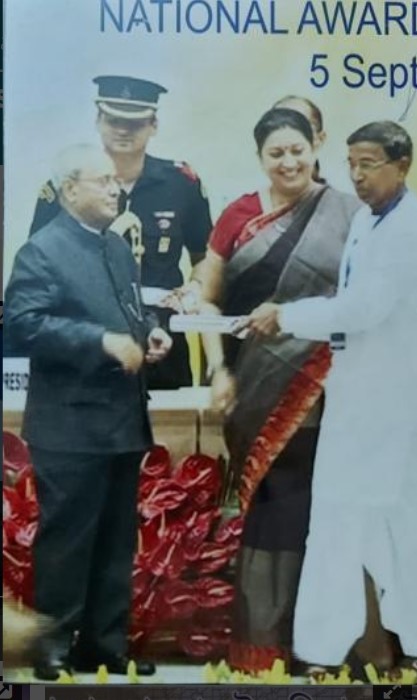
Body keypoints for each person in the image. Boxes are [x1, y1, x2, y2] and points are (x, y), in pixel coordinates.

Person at [241, 121, 417, 682]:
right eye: (352, 165)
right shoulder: (368, 220)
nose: (358, 176)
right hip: (360, 405)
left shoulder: (413, 228)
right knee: (335, 524)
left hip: (413, 413)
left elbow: (365, 309)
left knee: (413, 531)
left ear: (402, 165)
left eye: (370, 164)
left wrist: (287, 315)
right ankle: (321, 652)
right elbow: (355, 311)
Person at [196, 105, 359, 673]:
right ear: (259, 157)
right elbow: (206, 299)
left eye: (297, 150)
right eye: (276, 153)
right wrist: (219, 369)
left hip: (330, 391)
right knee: (271, 511)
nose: (288, 162)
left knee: (321, 511)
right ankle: (264, 643)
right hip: (254, 389)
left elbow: (363, 302)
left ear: (315, 147)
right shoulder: (239, 215)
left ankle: (322, 644)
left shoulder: (348, 213)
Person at [4, 144, 172, 681]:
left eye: (115, 181)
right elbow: (23, 325)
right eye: (103, 181)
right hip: (70, 424)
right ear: (70, 189)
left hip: (121, 420)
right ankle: (53, 645)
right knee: (68, 540)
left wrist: (150, 333)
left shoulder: (116, 246)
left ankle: (104, 645)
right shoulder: (41, 251)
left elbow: (129, 311)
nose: (115, 189)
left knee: (116, 540)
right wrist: (99, 341)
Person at [28, 75, 212, 389]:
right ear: (98, 121)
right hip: (89, 336)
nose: (123, 130)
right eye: (114, 120)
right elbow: (39, 268)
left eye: (135, 123)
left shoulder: (181, 184)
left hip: (163, 338)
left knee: (168, 419)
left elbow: (206, 256)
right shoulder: (65, 188)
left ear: (154, 125)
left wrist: (196, 287)